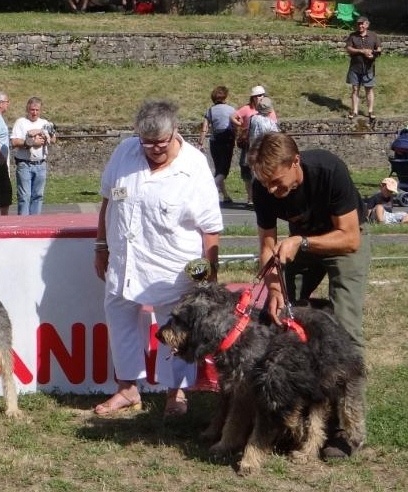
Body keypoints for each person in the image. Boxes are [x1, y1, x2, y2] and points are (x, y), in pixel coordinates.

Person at [93, 100, 223, 417]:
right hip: (125, 259)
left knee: (175, 330)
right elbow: (108, 201)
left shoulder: (194, 165)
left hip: (173, 267)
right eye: (147, 143)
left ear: (175, 132)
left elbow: (211, 227)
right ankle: (127, 389)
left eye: (160, 143)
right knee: (120, 319)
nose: (153, 149)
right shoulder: (125, 152)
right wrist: (101, 246)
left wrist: (209, 276)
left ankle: (175, 393)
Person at [248, 132, 370, 458]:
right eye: (266, 184)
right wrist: (275, 288)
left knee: (345, 330)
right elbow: (267, 245)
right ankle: (292, 416)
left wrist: (301, 242)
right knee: (283, 321)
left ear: (295, 162)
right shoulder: (262, 186)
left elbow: (350, 239)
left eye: (277, 183)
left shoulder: (330, 171)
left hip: (342, 241)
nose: (272, 191)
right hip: (297, 244)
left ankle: (347, 429)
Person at [230, 85, 277, 207]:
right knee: (252, 172)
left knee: (255, 172)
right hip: (254, 146)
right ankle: (253, 198)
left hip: (259, 146)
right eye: (257, 96)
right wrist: (241, 125)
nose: (260, 98)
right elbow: (274, 130)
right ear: (253, 97)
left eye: (261, 95)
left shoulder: (257, 116)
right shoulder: (249, 110)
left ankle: (257, 198)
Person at [10, 96, 55, 215]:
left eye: (37, 110)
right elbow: (14, 142)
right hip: (25, 164)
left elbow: (54, 138)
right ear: (27, 110)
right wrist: (30, 143)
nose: (34, 113)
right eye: (32, 110)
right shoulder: (21, 122)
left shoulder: (45, 123)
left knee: (38, 196)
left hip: (40, 164)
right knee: (24, 197)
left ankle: (36, 224)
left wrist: (43, 135)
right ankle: (23, 226)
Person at [198, 85, 236, 205]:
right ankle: (207, 191)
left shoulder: (209, 111)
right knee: (223, 171)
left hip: (214, 142)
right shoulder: (231, 110)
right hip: (227, 141)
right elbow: (236, 126)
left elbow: (205, 128)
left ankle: (225, 196)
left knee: (218, 169)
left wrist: (201, 142)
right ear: (225, 97)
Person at [345, 16, 382, 123]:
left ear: (367, 25)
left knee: (369, 89)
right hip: (355, 67)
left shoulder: (373, 35)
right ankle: (355, 111)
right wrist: (362, 51)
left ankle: (370, 111)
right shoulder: (352, 36)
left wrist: (373, 54)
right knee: (355, 89)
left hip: (369, 68)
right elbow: (348, 48)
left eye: (362, 24)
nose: (360, 26)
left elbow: (379, 49)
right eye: (358, 24)